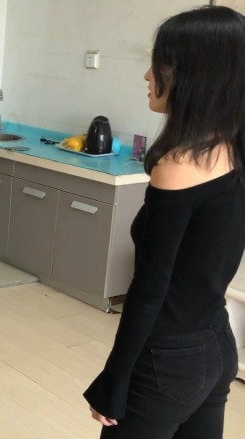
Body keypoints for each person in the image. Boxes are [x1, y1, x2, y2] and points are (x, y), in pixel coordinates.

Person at [84, 6, 245, 439]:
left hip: (167, 361)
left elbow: (150, 288)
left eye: (159, 63)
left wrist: (115, 379)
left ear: (194, 74)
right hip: (216, 344)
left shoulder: (179, 165)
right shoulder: (234, 150)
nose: (147, 75)